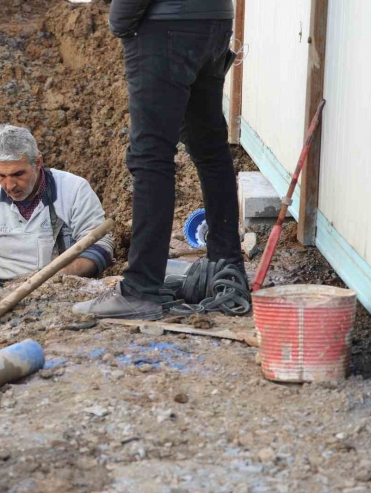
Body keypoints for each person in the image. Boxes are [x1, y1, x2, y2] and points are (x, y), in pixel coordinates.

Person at [74, 0, 244, 320]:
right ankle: (227, 270)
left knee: (151, 156)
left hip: (164, 28)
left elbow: (125, 16)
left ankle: (141, 289)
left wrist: (121, 21)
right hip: (215, 20)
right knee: (210, 148)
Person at [0, 124, 114, 296]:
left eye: (18, 174)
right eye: (1, 175)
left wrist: (56, 279)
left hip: (63, 291)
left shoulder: (74, 189)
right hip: (2, 293)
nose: (9, 185)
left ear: (38, 162)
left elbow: (100, 245)